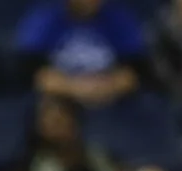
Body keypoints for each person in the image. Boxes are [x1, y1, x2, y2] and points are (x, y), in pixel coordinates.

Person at [17, 0, 149, 106]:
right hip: (58, 103)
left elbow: (133, 75)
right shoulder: (45, 20)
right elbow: (34, 74)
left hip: (113, 105)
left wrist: (103, 89)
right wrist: (78, 89)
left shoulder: (121, 20)